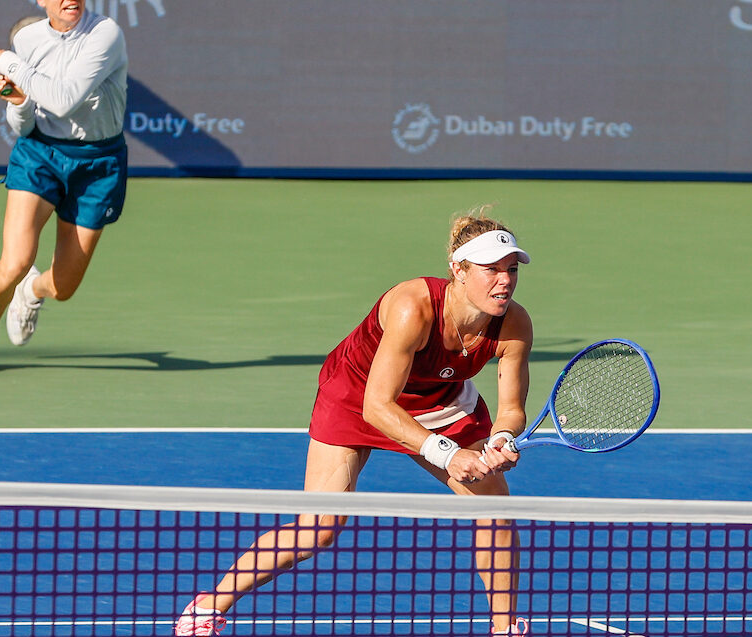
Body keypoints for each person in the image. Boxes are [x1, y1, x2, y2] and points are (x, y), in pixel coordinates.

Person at [174, 211, 535, 636]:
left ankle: (504, 627)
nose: (505, 281)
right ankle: (206, 609)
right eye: (491, 269)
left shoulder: (514, 323)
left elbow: (511, 407)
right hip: (357, 396)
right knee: (318, 529)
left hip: (439, 400)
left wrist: (503, 437)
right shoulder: (412, 307)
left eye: (510, 269)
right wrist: (448, 453)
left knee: (494, 506)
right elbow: (377, 407)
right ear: (458, 270)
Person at [0, 0, 128, 373]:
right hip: (41, 155)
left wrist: (9, 65)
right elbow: (25, 122)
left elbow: (64, 99)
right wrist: (16, 101)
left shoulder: (105, 34)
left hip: (98, 163)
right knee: (14, 261)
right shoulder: (27, 41)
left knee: (63, 287)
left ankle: (31, 292)